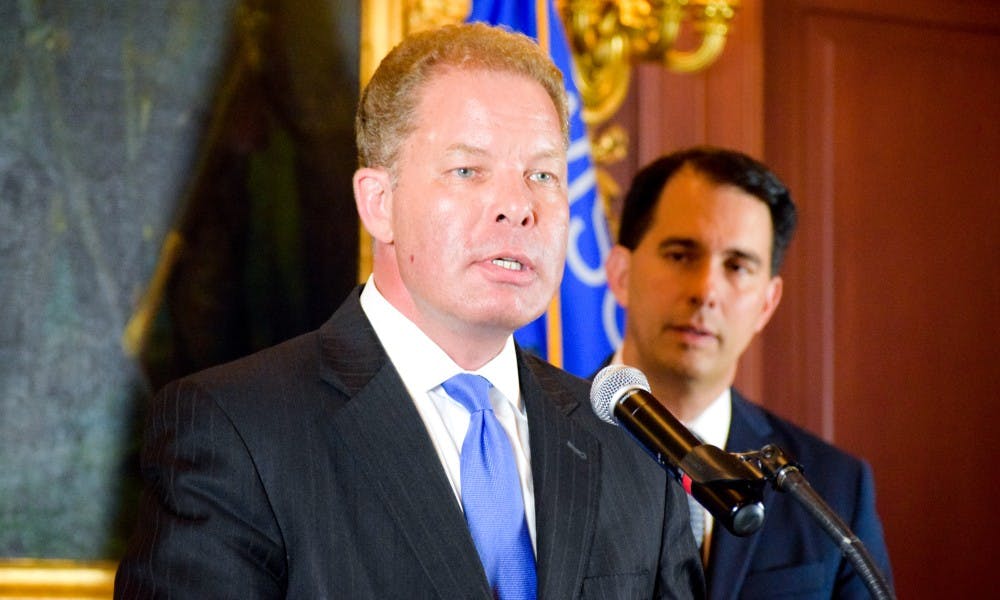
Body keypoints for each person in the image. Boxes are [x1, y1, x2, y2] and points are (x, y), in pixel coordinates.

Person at [114, 23, 704, 599]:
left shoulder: (631, 452)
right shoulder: (237, 431)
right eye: (468, 170)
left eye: (542, 174)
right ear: (379, 203)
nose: (518, 206)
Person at [603, 146, 892, 599]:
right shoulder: (533, 443)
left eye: (737, 266)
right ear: (620, 273)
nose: (706, 291)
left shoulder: (831, 488)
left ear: (766, 303)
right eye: (680, 255)